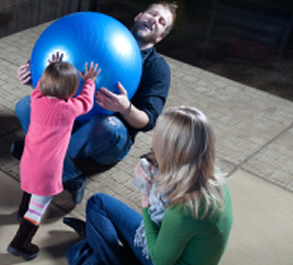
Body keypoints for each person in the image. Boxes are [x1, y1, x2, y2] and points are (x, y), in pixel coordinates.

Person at [13, 2, 178, 204]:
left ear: (160, 37)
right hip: (73, 119)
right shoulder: (102, 33)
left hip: (107, 137)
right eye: (153, 14)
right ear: (138, 16)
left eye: (162, 22)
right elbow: (64, 90)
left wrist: (124, 108)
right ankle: (68, 171)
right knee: (25, 105)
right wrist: (37, 83)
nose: (154, 20)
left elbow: (148, 121)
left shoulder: (158, 68)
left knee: (107, 125)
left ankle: (45, 159)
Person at [65, 106, 234, 265]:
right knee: (98, 210)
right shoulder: (212, 173)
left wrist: (145, 195)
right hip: (180, 249)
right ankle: (95, 244)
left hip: (162, 259)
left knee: (88, 240)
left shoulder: (183, 211)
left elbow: (159, 260)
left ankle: (93, 249)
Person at [7, 61, 100, 261]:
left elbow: (40, 86)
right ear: (70, 91)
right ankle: (20, 244)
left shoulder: (37, 99)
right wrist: (89, 81)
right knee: (38, 208)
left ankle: (21, 213)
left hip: (29, 162)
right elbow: (87, 102)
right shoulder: (68, 109)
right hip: (47, 171)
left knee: (29, 190)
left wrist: (50, 69)